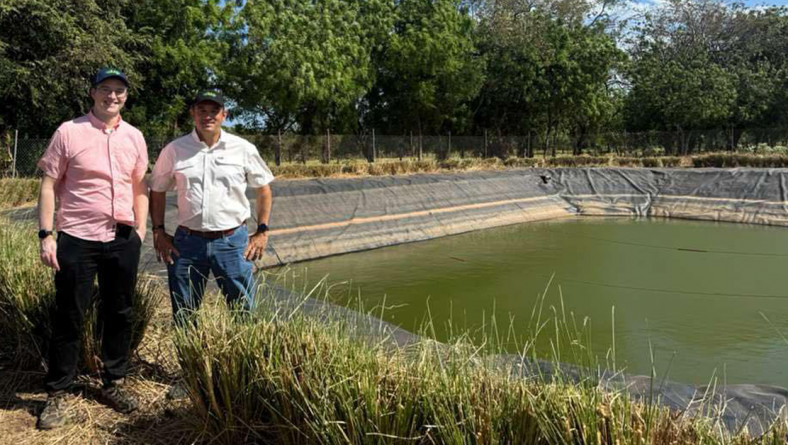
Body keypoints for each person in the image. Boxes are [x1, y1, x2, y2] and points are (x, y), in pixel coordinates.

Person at [36, 68, 148, 429]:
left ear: (126, 97)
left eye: (118, 91)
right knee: (69, 313)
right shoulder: (69, 132)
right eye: (105, 89)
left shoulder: (134, 137)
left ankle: (113, 381)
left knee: (120, 312)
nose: (111, 96)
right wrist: (46, 234)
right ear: (92, 93)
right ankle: (57, 392)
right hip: (78, 238)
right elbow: (50, 184)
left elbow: (139, 186)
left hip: (121, 238)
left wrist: (140, 232)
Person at [149, 90, 274, 324]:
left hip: (232, 242)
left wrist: (262, 231)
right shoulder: (175, 150)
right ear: (192, 113)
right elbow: (157, 189)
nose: (208, 116)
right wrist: (158, 231)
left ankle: (242, 359)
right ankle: (189, 359)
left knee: (243, 312)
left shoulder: (242, 148)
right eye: (201, 110)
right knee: (185, 314)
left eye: (214, 111)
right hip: (187, 243)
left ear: (224, 115)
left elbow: (263, 189)